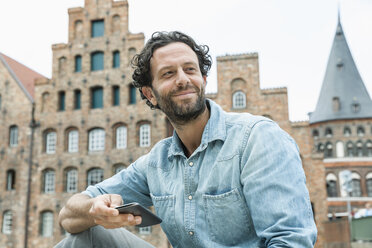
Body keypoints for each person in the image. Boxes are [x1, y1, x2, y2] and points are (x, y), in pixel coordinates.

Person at [56, 31, 317, 248]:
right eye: (168, 74)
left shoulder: (257, 138)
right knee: (86, 236)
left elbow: (290, 242)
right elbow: (67, 216)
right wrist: (94, 208)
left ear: (203, 80)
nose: (183, 80)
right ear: (150, 94)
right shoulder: (156, 163)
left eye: (190, 69)